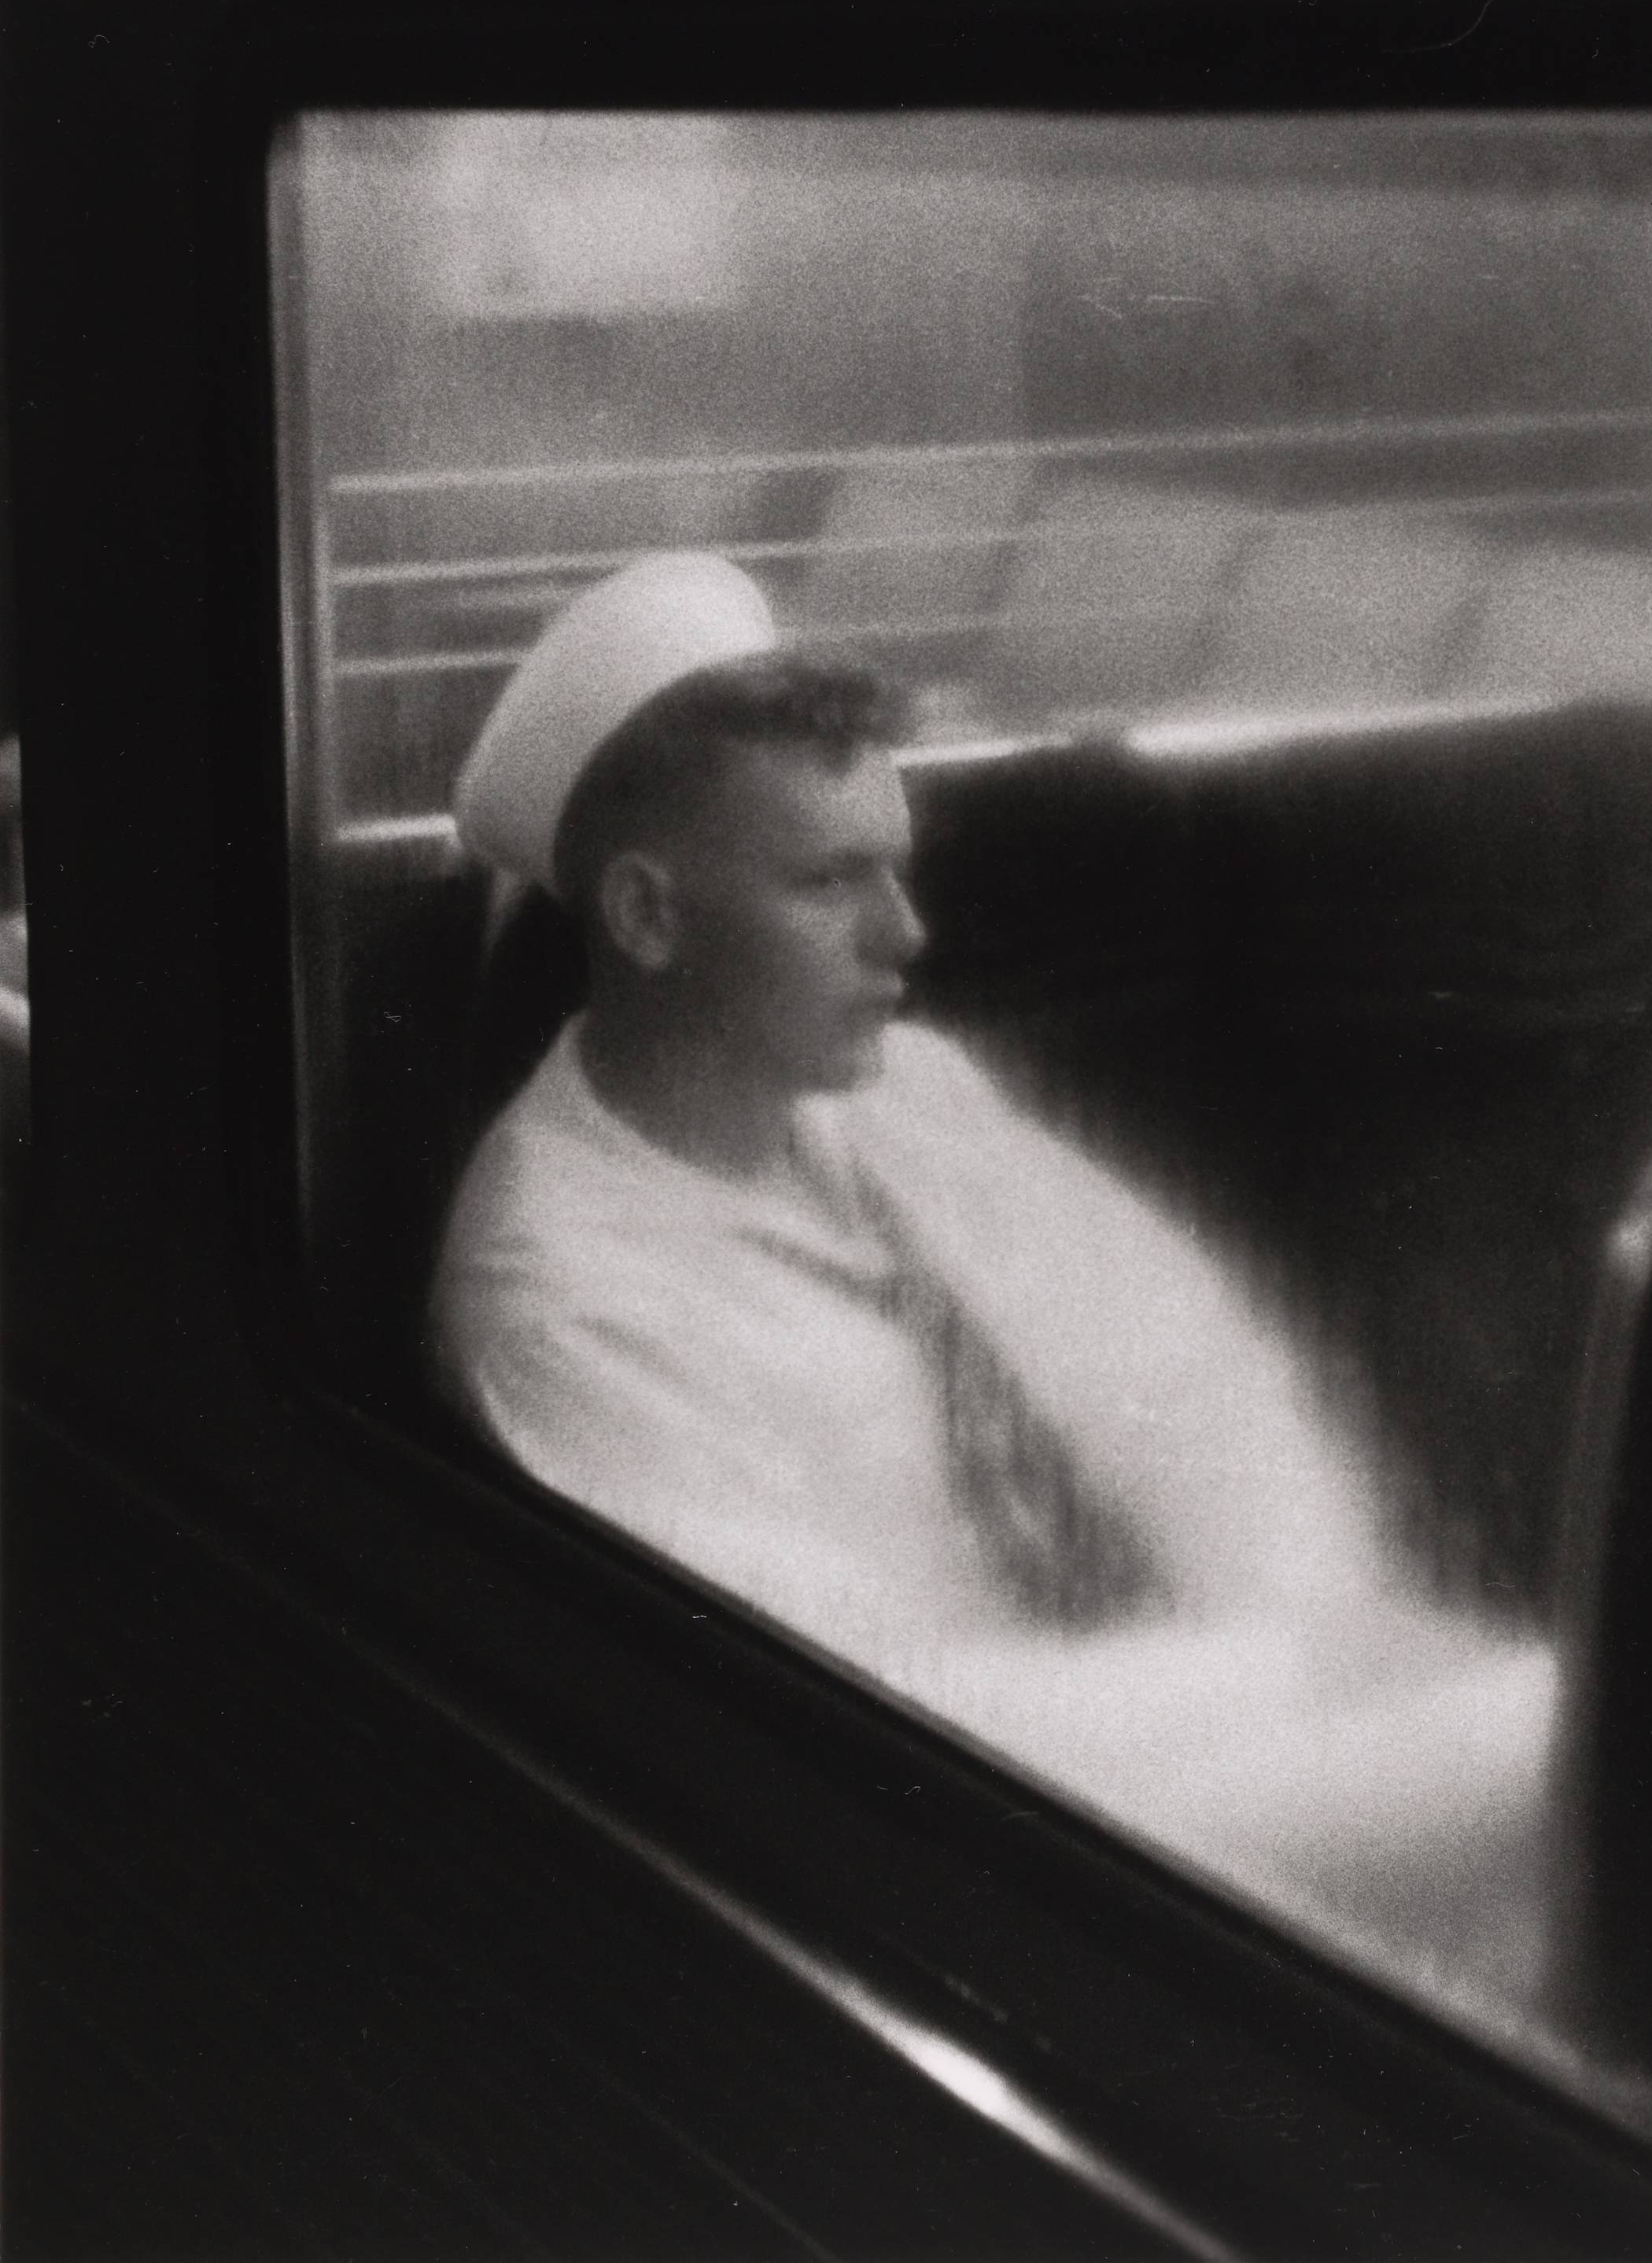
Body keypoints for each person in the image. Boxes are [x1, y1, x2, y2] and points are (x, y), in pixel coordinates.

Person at [432, 555, 1557, 1982]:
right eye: (831, 882)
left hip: (1195, 1739)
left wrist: (1321, 1623)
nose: (906, 936)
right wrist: (1324, 1684)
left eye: (895, 868)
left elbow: (1195, 1370)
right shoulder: (561, 1298)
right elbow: (861, 1719)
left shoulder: (907, 1086)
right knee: (1576, 1753)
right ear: (649, 918)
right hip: (938, 1877)